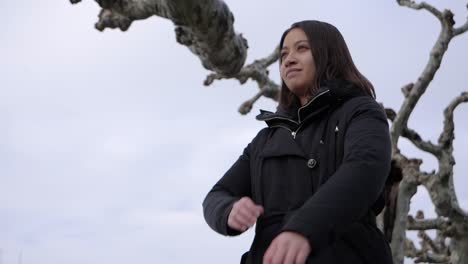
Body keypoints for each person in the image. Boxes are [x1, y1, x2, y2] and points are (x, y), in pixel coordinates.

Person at [202, 20, 393, 264]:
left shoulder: (360, 111)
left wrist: (304, 228)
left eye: (302, 49)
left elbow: (364, 168)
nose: (289, 59)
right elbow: (217, 195)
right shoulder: (265, 139)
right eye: (284, 54)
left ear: (329, 55)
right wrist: (229, 209)